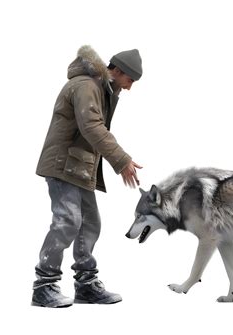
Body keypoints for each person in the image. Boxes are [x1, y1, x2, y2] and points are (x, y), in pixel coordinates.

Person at [31, 45, 143, 307]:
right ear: (117, 71)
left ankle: (86, 285)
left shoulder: (101, 89)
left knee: (90, 224)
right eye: (130, 80)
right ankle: (44, 285)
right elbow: (92, 127)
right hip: (63, 165)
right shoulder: (86, 86)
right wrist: (122, 160)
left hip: (79, 166)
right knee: (68, 221)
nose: (129, 87)